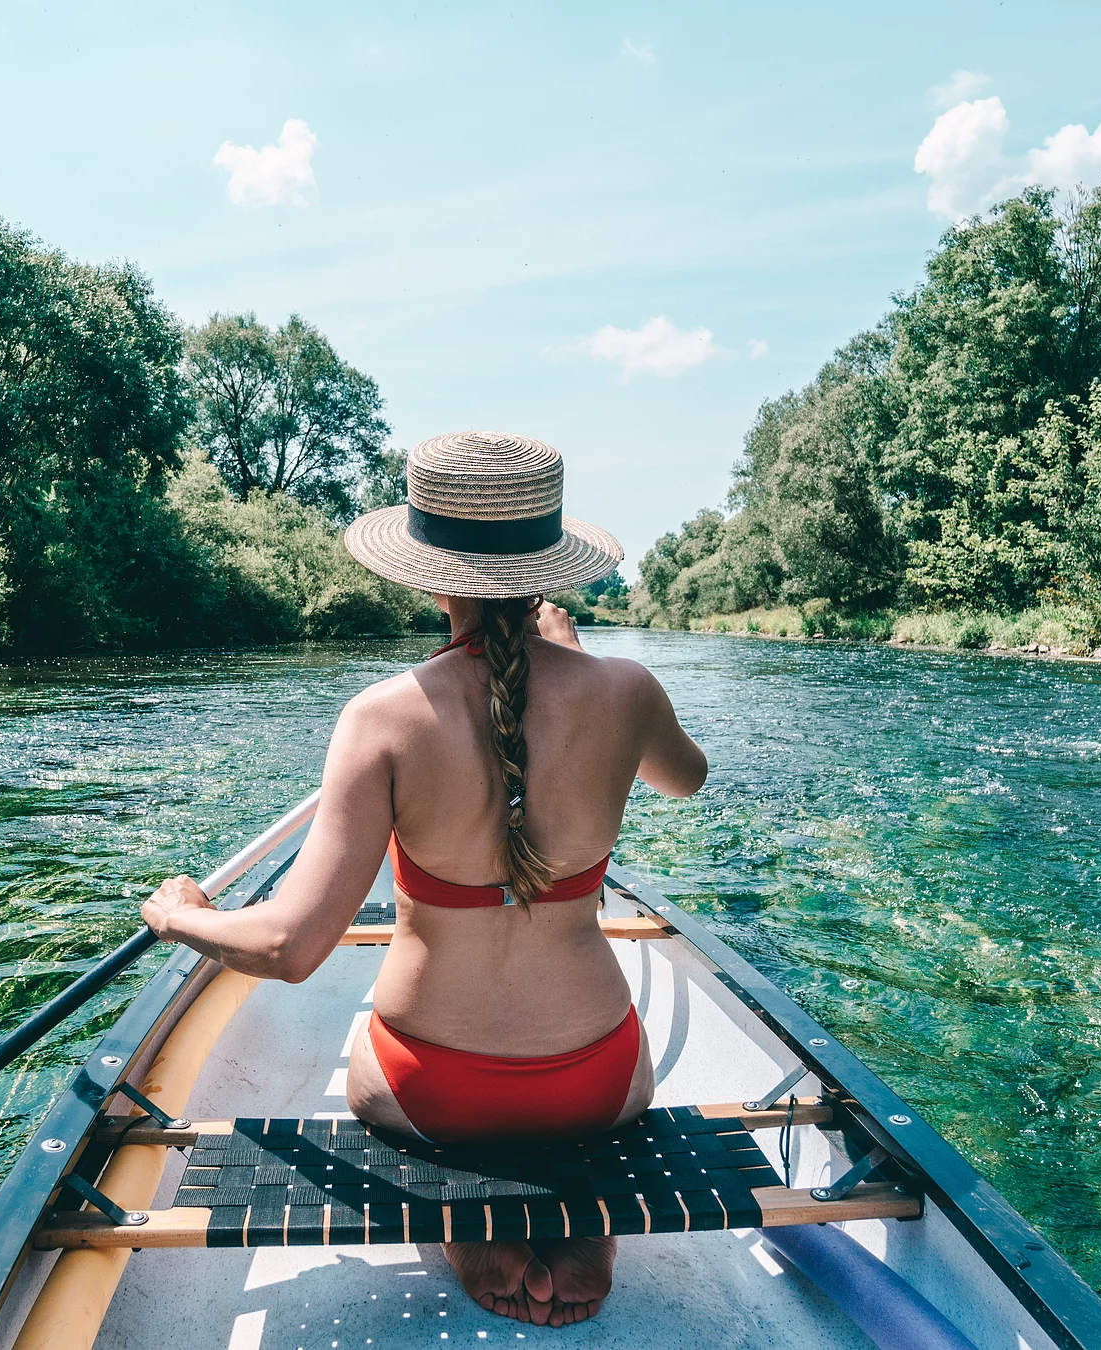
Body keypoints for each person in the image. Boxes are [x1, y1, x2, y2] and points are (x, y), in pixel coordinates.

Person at [141, 430, 708, 1329]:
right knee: (598, 1078)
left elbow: (290, 948)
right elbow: (687, 777)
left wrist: (180, 917)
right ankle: (589, 1233)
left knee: (372, 1037)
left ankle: (464, 1226)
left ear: (427, 574)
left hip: (428, 1095)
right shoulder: (626, 691)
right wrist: (587, 666)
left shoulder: (381, 717)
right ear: (547, 572)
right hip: (597, 1085)